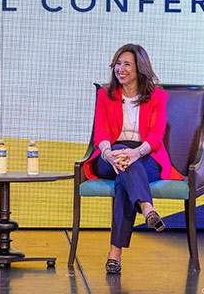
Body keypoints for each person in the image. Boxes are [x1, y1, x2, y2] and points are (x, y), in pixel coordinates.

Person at [83, 43, 183, 274]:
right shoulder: (105, 95)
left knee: (125, 180)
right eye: (118, 64)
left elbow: (156, 136)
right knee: (122, 161)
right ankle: (147, 208)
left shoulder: (157, 97)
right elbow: (101, 134)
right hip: (109, 156)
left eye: (127, 64)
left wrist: (135, 153)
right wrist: (109, 155)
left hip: (145, 154)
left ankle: (114, 253)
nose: (121, 69)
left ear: (140, 68)